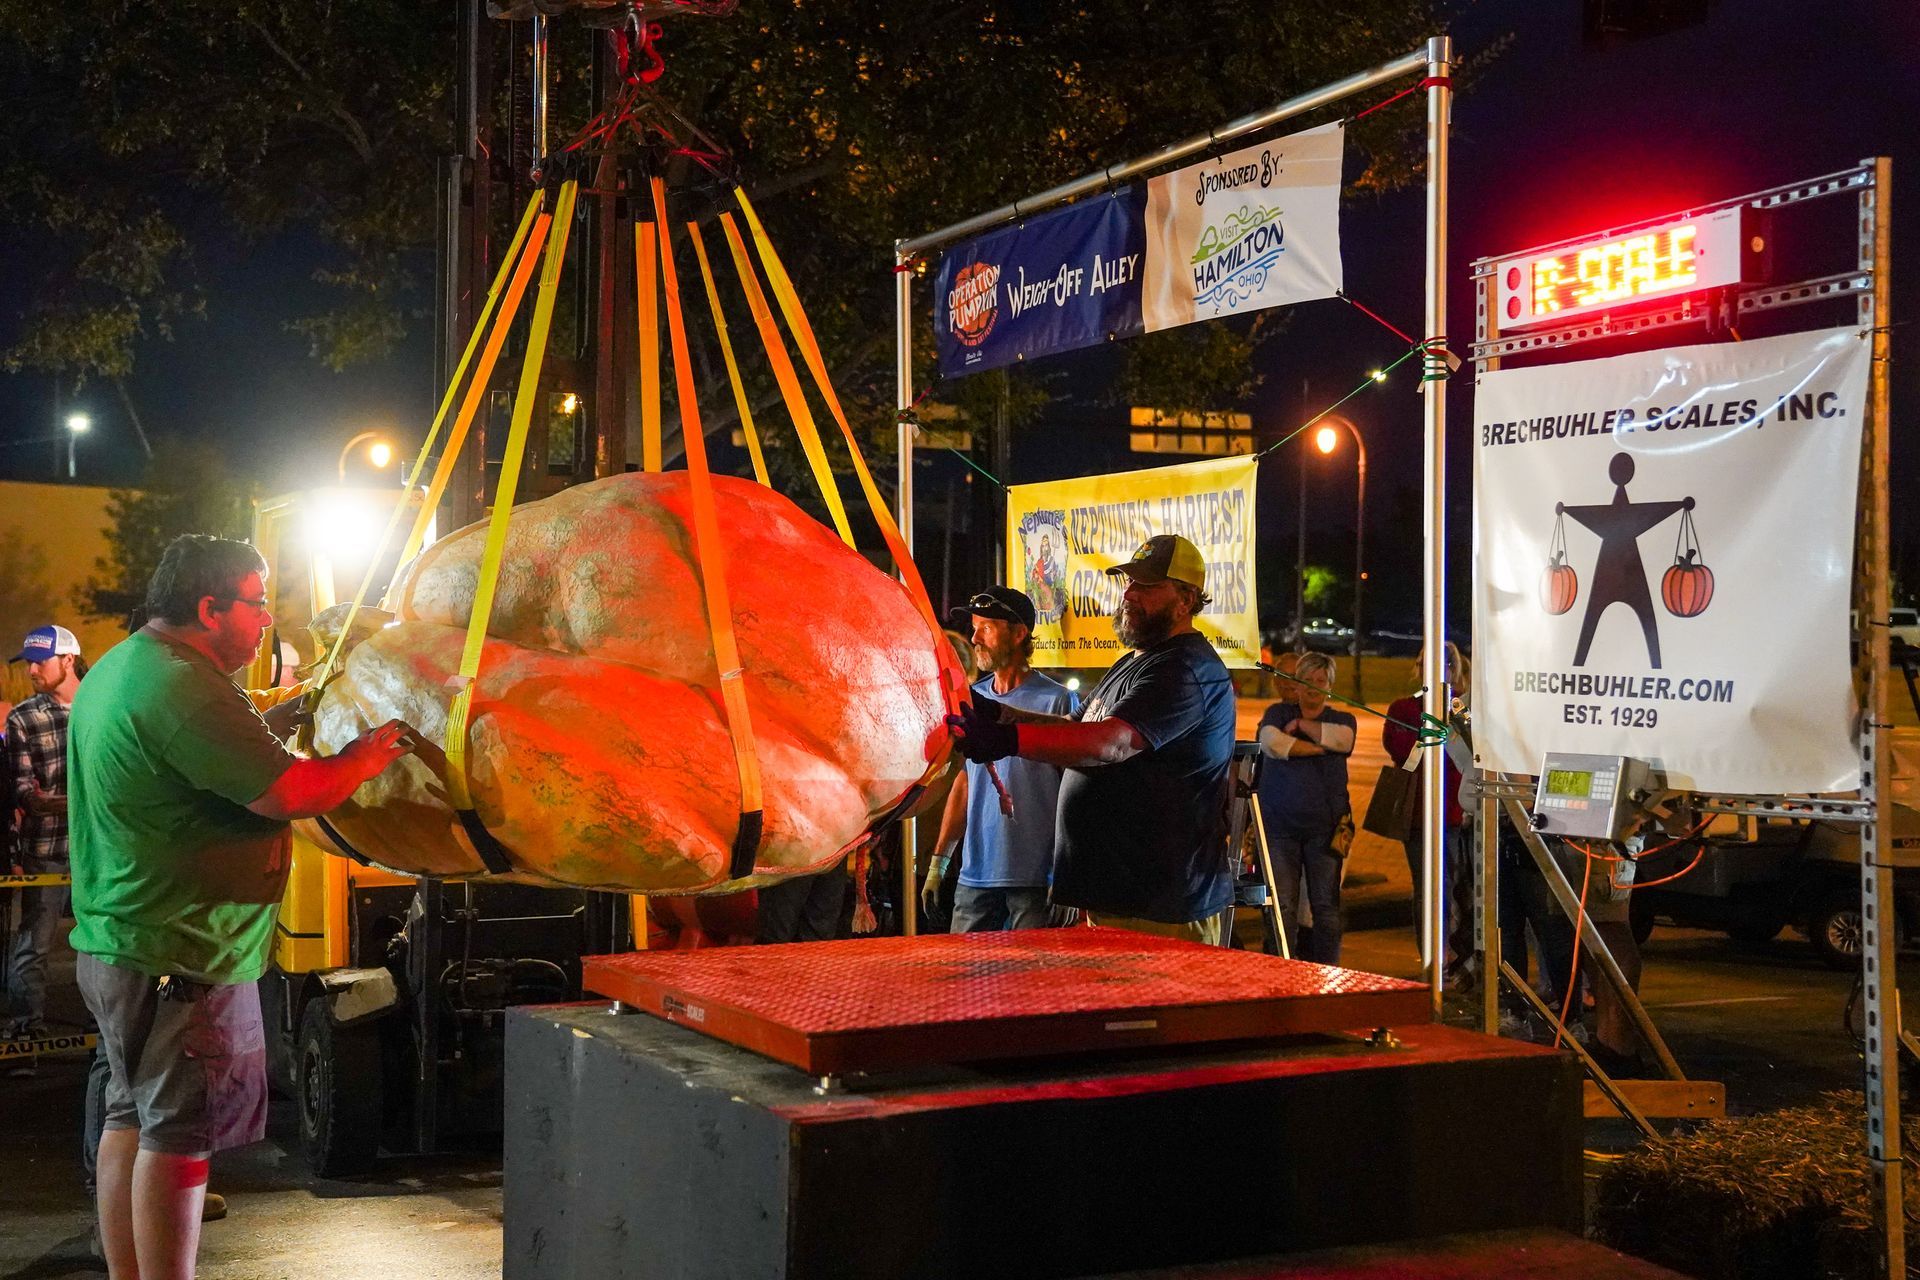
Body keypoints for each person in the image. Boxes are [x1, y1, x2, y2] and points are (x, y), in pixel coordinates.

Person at [68, 534, 416, 1280]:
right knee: (179, 1136)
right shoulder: (185, 687)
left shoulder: (127, 665)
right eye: (257, 605)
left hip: (119, 942)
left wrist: (283, 716)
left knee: (131, 1115)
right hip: (178, 954)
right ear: (209, 608)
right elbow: (291, 792)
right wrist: (362, 758)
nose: (266, 622)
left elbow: (204, 751)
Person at [948, 534, 1237, 944]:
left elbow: (1110, 744)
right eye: (1129, 582)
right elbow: (1073, 725)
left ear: (1186, 600)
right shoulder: (1134, 662)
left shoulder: (1185, 668)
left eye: (1148, 586)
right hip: (1117, 901)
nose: (1130, 594)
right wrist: (999, 714)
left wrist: (1006, 739)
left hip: (1160, 907)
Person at [922, 587, 1077, 932]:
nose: (974, 638)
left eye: (986, 628)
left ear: (1019, 634)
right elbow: (965, 783)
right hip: (976, 875)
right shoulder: (972, 700)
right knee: (964, 967)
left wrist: (1069, 874)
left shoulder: (1059, 703)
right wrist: (939, 862)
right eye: (974, 628)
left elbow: (1076, 792)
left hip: (1038, 879)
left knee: (1033, 969)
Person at [4, 625, 86, 1040]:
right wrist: (90, 802)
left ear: (68, 660)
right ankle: (25, 1034)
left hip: (96, 849)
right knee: (33, 945)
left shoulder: (99, 705)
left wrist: (53, 800)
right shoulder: (23, 717)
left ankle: (103, 1037)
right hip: (47, 848)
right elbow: (26, 795)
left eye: (40, 661)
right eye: (29, 662)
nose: (32, 670)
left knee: (102, 946)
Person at [1256, 652, 1356, 964]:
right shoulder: (1275, 713)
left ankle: (1327, 970)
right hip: (1279, 827)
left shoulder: (1343, 719)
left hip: (1326, 830)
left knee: (1325, 906)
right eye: (1306, 680)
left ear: (1330, 686)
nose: (1313, 686)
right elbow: (1272, 743)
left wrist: (1301, 725)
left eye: (1320, 680)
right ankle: (1281, 970)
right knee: (1282, 906)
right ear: (1296, 684)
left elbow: (1344, 740)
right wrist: (1320, 748)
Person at [1383, 642, 1474, 979]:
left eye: (1444, 665)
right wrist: (1430, 734)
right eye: (1426, 664)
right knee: (1429, 888)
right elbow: (1400, 752)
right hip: (1420, 816)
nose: (1434, 671)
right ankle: (1435, 959)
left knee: (1463, 889)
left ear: (1454, 669)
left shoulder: (1464, 709)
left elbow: (1475, 754)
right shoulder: (1403, 708)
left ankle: (1462, 957)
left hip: (1461, 815)